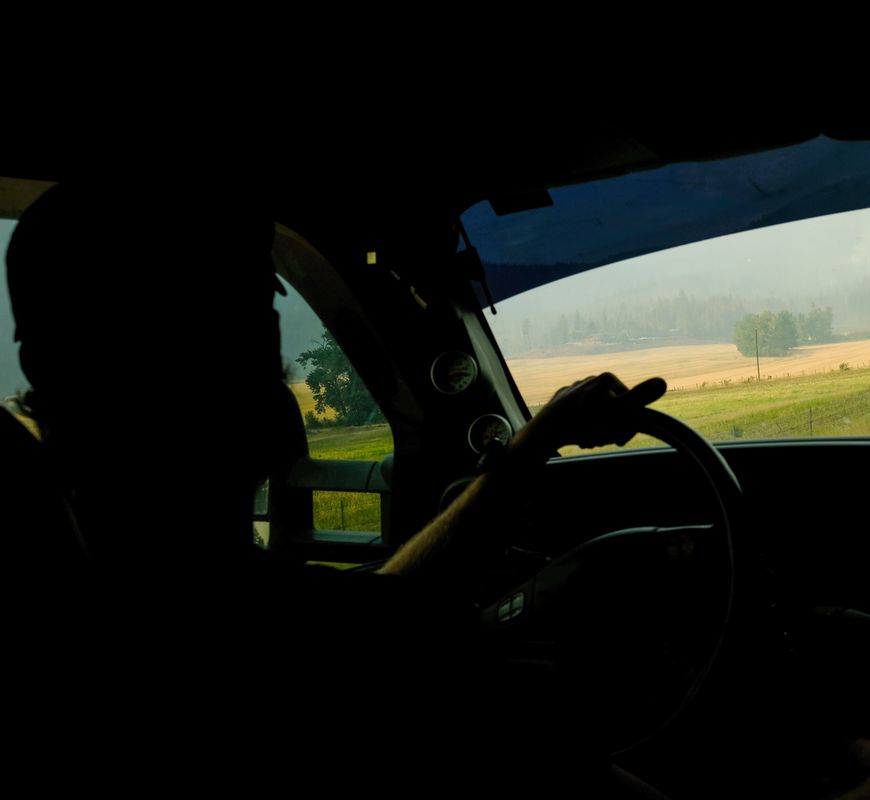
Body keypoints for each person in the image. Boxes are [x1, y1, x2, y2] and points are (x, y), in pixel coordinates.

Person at [4, 178, 674, 795]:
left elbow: (381, 614)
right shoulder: (220, 625)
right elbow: (381, 632)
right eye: (224, 308)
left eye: (255, 305)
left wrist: (532, 445)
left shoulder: (130, 587)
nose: (271, 352)